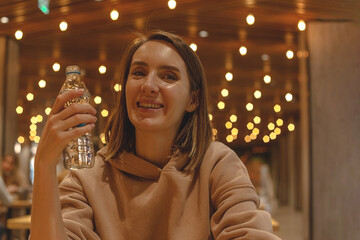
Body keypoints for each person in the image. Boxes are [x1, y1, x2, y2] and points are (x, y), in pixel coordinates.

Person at [30, 30, 280, 240]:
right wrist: (44, 165)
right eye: (138, 73)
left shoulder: (217, 164)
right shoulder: (89, 178)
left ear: (193, 100)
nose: (148, 85)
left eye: (168, 76)